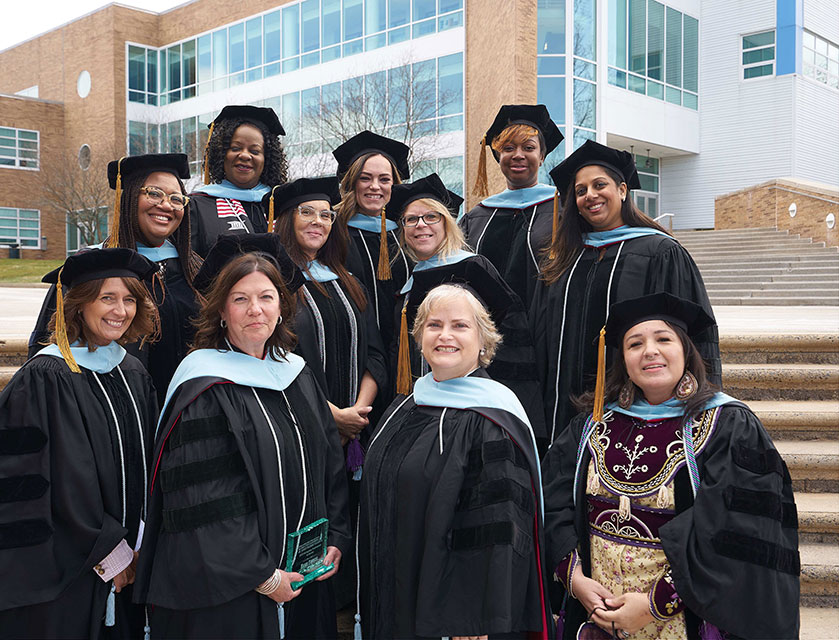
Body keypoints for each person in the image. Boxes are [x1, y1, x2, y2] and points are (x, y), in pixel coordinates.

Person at [542, 292, 799, 639]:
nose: (649, 351)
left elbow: (735, 530)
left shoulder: (726, 426)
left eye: (664, 339)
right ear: (624, 360)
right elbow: (552, 503)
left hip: (683, 620)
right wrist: (576, 580)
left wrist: (655, 605)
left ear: (686, 351)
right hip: (597, 616)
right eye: (635, 344)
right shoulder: (592, 425)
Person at [134, 234, 350, 639]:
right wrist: (265, 577)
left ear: (282, 308)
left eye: (267, 298)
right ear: (220, 312)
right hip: (229, 594)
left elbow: (329, 464)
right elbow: (204, 499)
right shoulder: (203, 386)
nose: (256, 310)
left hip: (304, 577)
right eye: (240, 300)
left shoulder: (297, 374)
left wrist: (334, 538)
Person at [0, 248, 161, 639]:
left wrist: (139, 546)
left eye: (129, 299)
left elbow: (148, 463)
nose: (121, 310)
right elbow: (50, 479)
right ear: (79, 306)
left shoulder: (132, 371)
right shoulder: (45, 377)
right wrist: (111, 555)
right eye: (107, 298)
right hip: (66, 570)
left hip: (132, 561)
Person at [360, 283, 553, 640]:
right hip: (394, 591)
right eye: (434, 325)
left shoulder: (493, 419)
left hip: (453, 618)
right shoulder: (404, 406)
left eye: (460, 326)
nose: (445, 335)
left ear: (484, 341)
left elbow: (501, 528)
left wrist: (472, 615)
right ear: (419, 337)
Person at [533, 140, 720, 445]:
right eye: (580, 191)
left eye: (599, 185)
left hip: (636, 406)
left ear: (622, 190)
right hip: (561, 409)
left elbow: (698, 337)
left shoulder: (661, 252)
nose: (590, 195)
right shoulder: (564, 260)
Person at [270, 176, 389, 611]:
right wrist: (328, 415)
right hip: (302, 429)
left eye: (326, 214)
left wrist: (358, 410)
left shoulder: (347, 279)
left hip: (357, 426)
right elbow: (275, 359)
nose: (319, 221)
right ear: (286, 219)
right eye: (307, 212)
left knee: (351, 525)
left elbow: (376, 352)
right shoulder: (275, 283)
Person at [387, 173, 548, 446]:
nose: (420, 225)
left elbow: (507, 344)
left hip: (472, 415)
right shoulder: (408, 282)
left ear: (447, 223)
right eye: (411, 219)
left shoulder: (474, 270)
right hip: (421, 409)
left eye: (431, 217)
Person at [27, 153, 202, 401]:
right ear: (129, 197)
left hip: (188, 413)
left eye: (176, 198)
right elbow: (48, 348)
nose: (166, 205)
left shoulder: (196, 270)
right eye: (153, 193)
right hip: (115, 412)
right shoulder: (90, 269)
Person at [460, 104, 564, 305]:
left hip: (545, 327)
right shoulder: (476, 218)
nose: (518, 154)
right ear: (499, 156)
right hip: (486, 328)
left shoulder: (562, 211)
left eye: (529, 147)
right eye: (508, 148)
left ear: (542, 156)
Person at [332, 130, 412, 347]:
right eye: (364, 178)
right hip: (355, 346)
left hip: (407, 348)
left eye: (384, 179)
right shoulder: (333, 235)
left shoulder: (409, 233)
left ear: (394, 185)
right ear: (351, 183)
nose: (375, 186)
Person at [188, 105, 288, 258]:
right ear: (221, 153)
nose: (245, 156)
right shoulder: (197, 207)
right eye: (235, 148)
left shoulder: (282, 206)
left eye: (255, 151)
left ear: (266, 159)